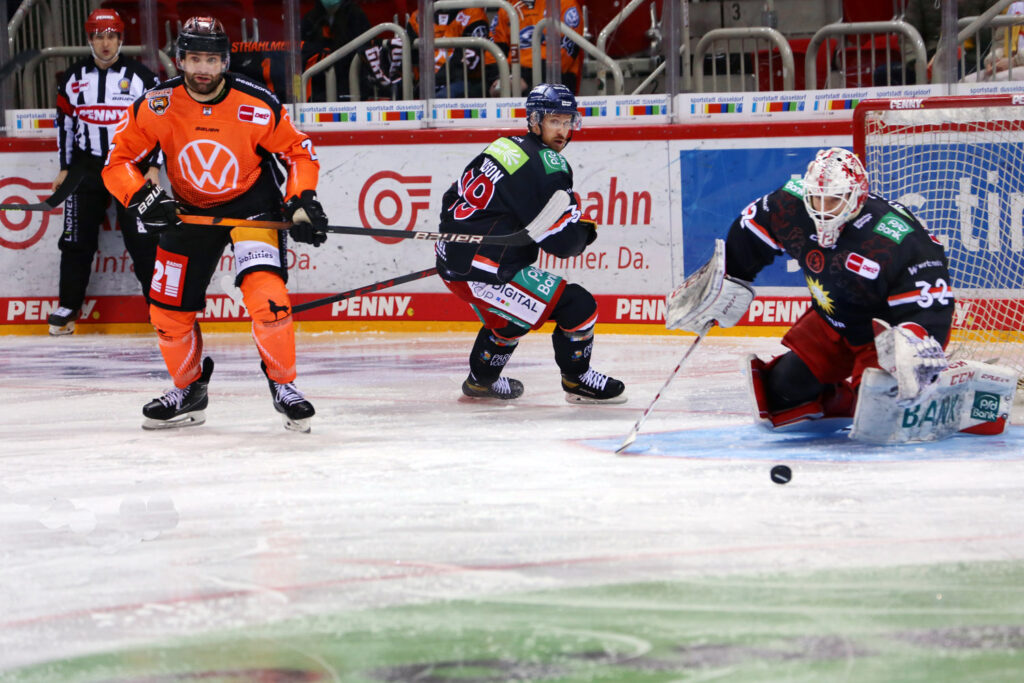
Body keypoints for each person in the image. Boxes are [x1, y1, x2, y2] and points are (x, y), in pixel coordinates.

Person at [102, 16, 329, 433]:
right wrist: (142, 198)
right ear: (179, 60)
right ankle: (188, 391)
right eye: (193, 59)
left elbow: (298, 152)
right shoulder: (157, 104)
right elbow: (117, 163)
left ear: (225, 61)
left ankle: (284, 385)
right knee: (167, 313)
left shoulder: (256, 103)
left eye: (211, 59)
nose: (202, 69)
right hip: (188, 209)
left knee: (269, 298)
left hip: (252, 207)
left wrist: (301, 202)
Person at [669, 148, 954, 431]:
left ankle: (938, 395)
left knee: (880, 411)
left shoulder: (898, 238)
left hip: (884, 337)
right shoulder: (789, 205)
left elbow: (931, 306)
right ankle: (846, 403)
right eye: (815, 198)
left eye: (833, 200)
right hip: (832, 323)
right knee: (780, 394)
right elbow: (751, 230)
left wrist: (915, 347)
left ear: (857, 198)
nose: (821, 208)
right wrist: (728, 279)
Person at [435, 83, 626, 404]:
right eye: (555, 121)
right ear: (534, 120)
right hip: (486, 268)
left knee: (509, 320)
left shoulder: (503, 145)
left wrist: (455, 246)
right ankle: (577, 379)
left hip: (454, 258)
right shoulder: (550, 166)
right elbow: (562, 244)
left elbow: (451, 197)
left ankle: (481, 382)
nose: (564, 131)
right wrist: (585, 231)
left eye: (569, 122)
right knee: (579, 306)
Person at [47, 8, 162, 336]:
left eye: (112, 35)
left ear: (121, 38)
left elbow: (157, 124)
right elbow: (65, 126)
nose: (106, 43)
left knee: (143, 241)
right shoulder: (72, 78)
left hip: (130, 167)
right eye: (99, 36)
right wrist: (65, 167)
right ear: (90, 39)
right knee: (74, 239)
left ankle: (158, 308)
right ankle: (68, 306)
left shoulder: (142, 76)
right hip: (86, 167)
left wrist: (154, 165)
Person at [386, 7, 492, 98]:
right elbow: (410, 54)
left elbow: (468, 62)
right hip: (425, 85)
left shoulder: (474, 14)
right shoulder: (419, 16)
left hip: (467, 81)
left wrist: (433, 82)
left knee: (440, 98)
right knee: (397, 95)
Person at [485, 0, 584, 95]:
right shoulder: (507, 8)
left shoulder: (565, 4)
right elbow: (493, 51)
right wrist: (497, 80)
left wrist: (527, 80)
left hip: (555, 80)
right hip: (514, 78)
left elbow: (567, 52)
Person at [300, 0, 374, 101]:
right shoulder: (310, 19)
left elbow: (366, 51)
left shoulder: (356, 16)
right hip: (319, 88)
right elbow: (303, 52)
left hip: (352, 86)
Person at [961, 1, 1024, 81]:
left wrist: (1014, 61)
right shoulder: (1015, 6)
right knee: (965, 81)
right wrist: (994, 59)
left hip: (1017, 62)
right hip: (1009, 62)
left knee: (997, 79)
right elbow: (1000, 41)